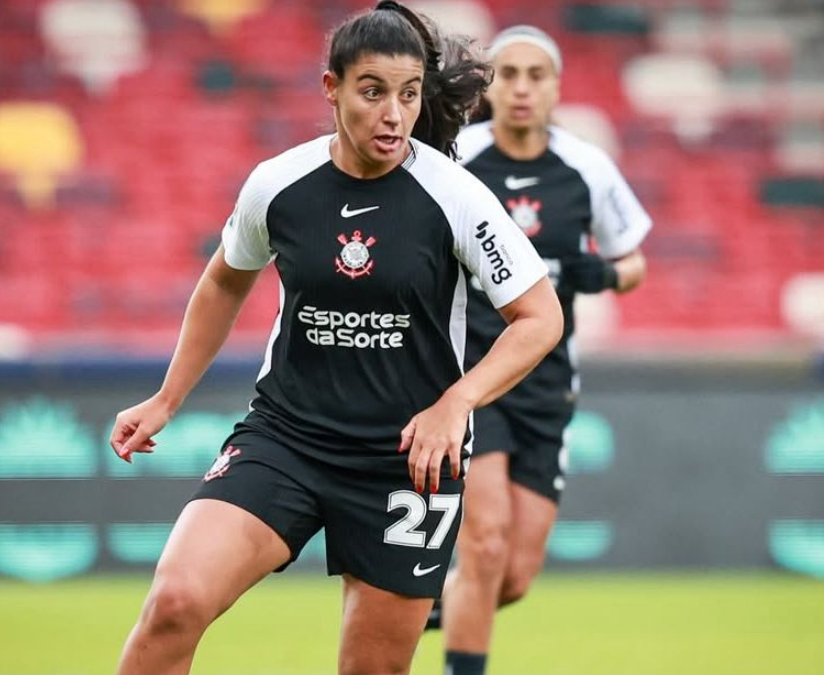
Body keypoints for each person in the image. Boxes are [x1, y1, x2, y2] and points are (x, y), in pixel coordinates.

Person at [107, 4, 564, 674]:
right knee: (174, 602)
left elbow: (540, 317)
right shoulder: (278, 185)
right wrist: (167, 398)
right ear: (332, 88)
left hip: (405, 462)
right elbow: (224, 282)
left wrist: (456, 403)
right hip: (286, 439)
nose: (393, 115)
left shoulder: (456, 198)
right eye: (372, 92)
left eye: (408, 95)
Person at [432, 26, 652, 675]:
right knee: (486, 542)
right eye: (508, 73)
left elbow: (634, 260)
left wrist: (605, 274)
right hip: (474, 377)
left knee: (514, 575)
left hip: (547, 384)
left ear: (556, 87)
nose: (522, 88)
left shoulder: (587, 167)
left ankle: (436, 602)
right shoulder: (457, 160)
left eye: (536, 75)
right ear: (490, 86)